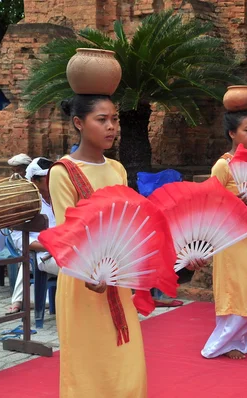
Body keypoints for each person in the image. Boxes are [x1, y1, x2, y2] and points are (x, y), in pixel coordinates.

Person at [49, 94, 147, 397]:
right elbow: (69, 233)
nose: (111, 127)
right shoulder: (63, 172)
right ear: (79, 123)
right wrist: (92, 271)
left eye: (114, 119)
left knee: (129, 365)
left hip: (116, 276)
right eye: (101, 120)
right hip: (83, 281)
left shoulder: (117, 168)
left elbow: (130, 221)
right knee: (89, 366)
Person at [201, 110, 247, 360]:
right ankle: (225, 342)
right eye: (246, 131)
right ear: (232, 133)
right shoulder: (223, 165)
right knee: (235, 287)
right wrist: (233, 201)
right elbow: (209, 201)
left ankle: (244, 338)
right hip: (229, 237)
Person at [7, 157, 59, 314]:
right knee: (75, 267)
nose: (53, 182)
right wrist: (50, 245)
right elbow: (19, 241)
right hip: (44, 254)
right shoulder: (25, 205)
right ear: (35, 181)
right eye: (47, 179)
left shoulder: (61, 198)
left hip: (65, 248)